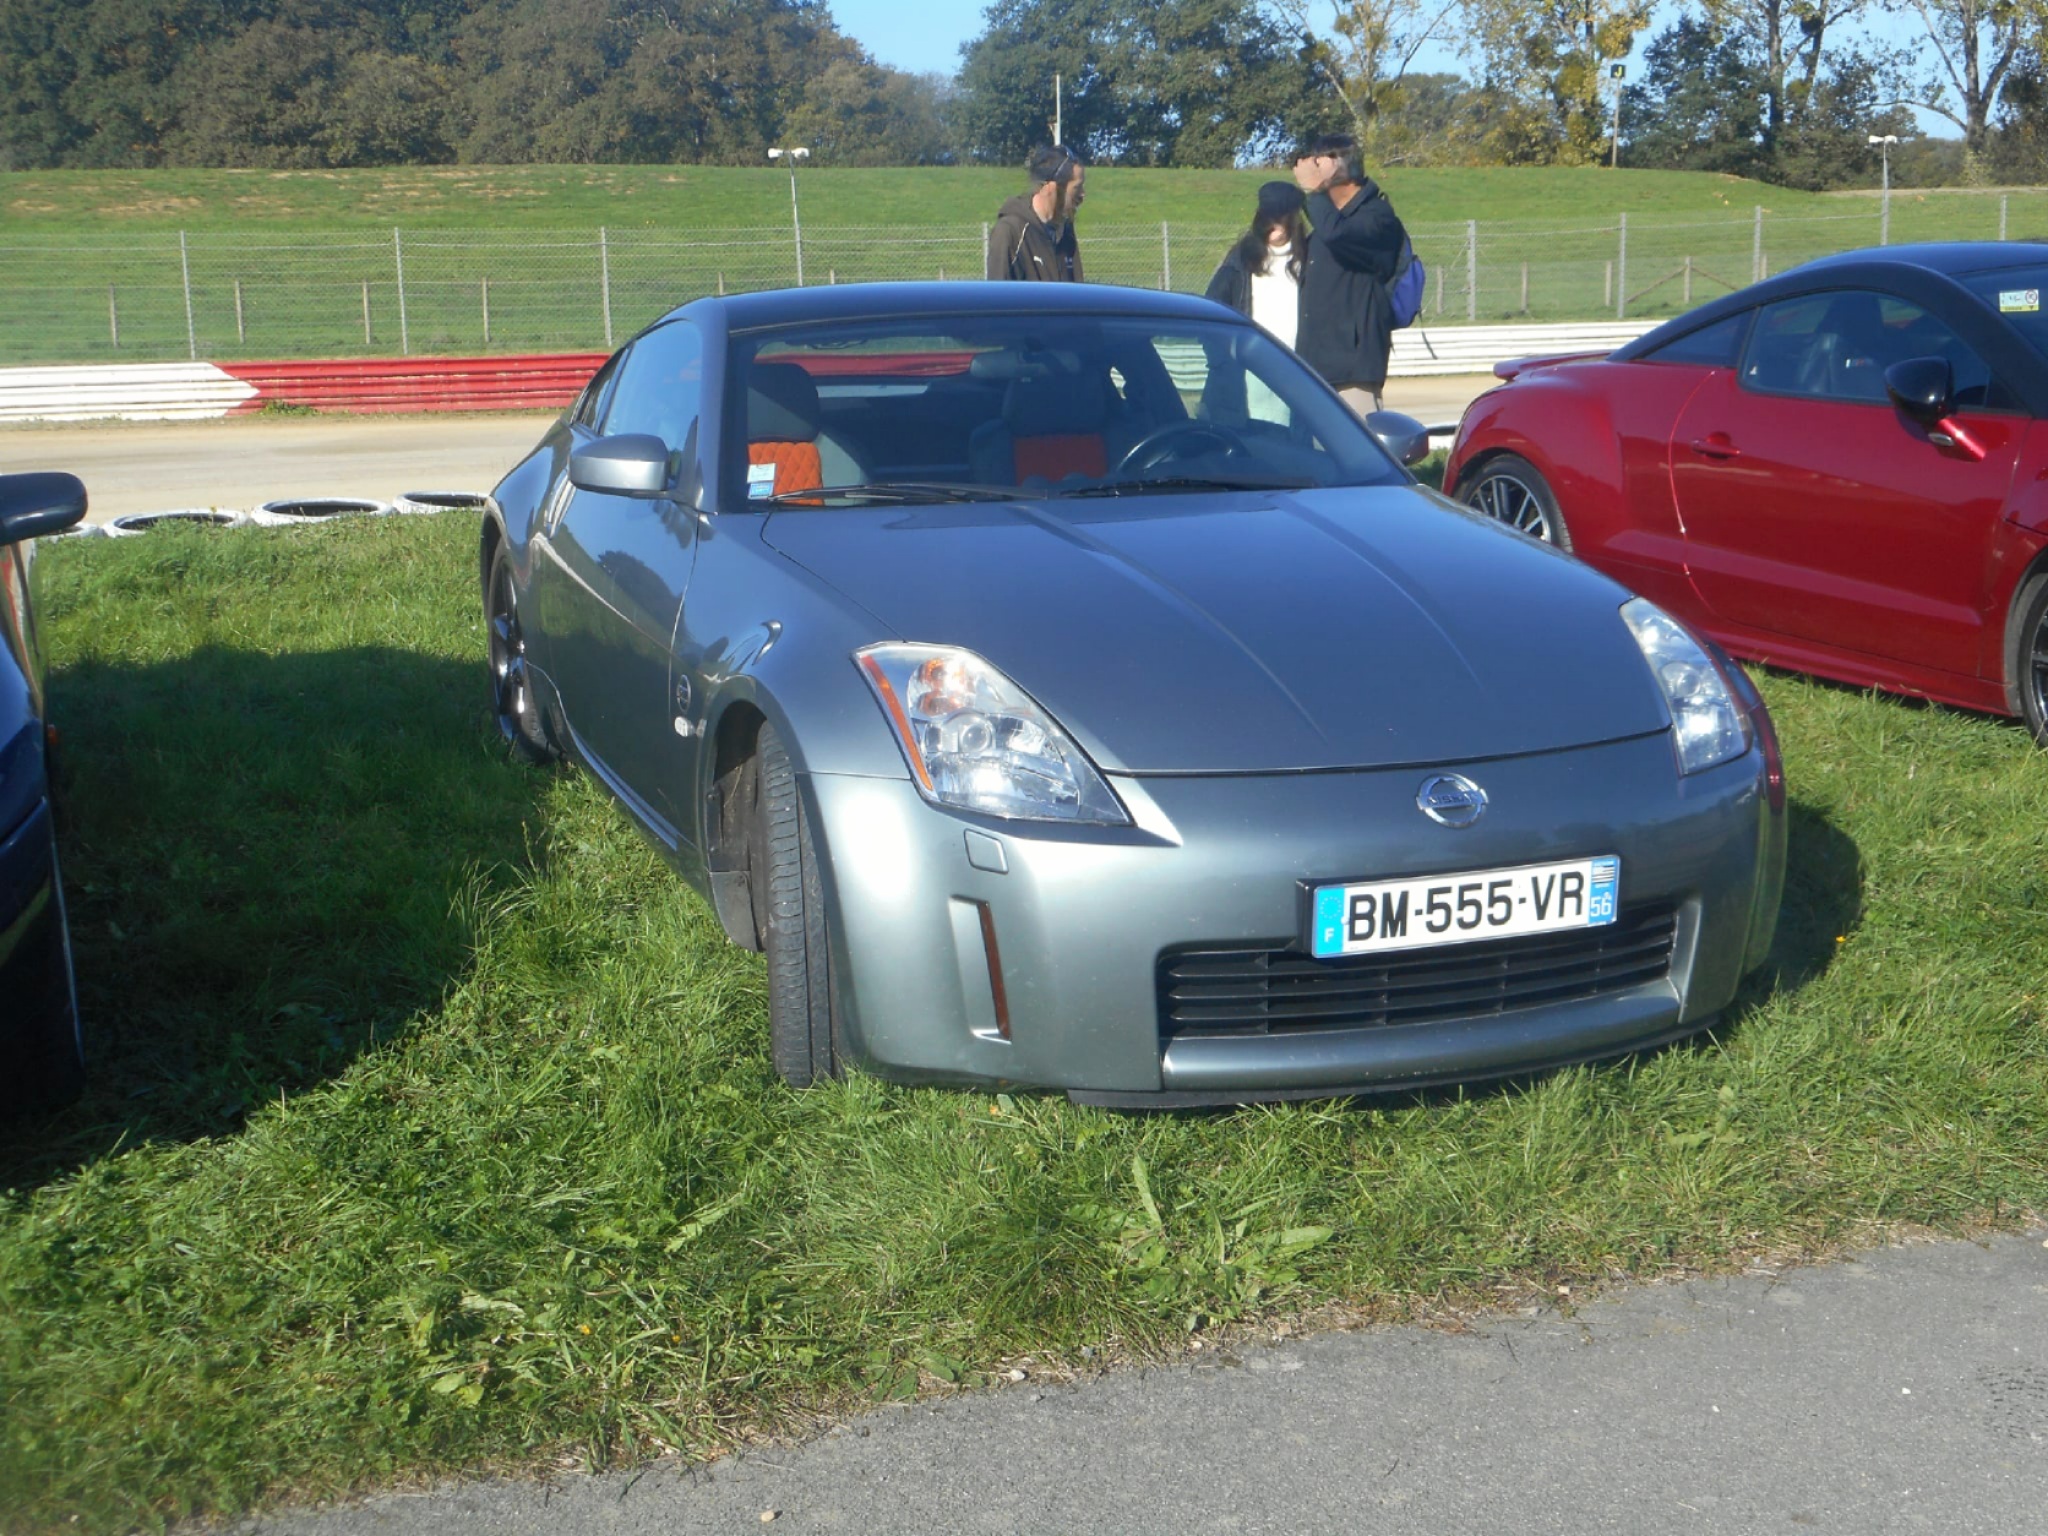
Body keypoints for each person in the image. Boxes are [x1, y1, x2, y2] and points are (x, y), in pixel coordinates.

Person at [1291, 132, 1408, 415]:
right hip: (1315, 366)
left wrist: (1314, 192)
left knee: (1357, 455)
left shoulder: (1377, 216)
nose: (1313, 166)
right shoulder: (1328, 222)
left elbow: (1339, 237)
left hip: (1353, 369)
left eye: (1321, 160)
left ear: (1342, 163)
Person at [1203, 180, 1308, 424]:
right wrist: (1223, 360)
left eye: (1279, 217)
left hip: (1298, 369)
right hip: (1249, 371)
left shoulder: (1310, 258)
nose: (1272, 225)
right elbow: (1212, 309)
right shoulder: (1240, 259)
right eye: (1267, 216)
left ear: (1293, 219)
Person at [987, 146, 1086, 283]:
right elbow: (997, 298)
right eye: (1077, 187)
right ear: (1052, 187)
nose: (1082, 195)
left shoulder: (1066, 232)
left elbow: (1077, 294)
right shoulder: (1010, 232)